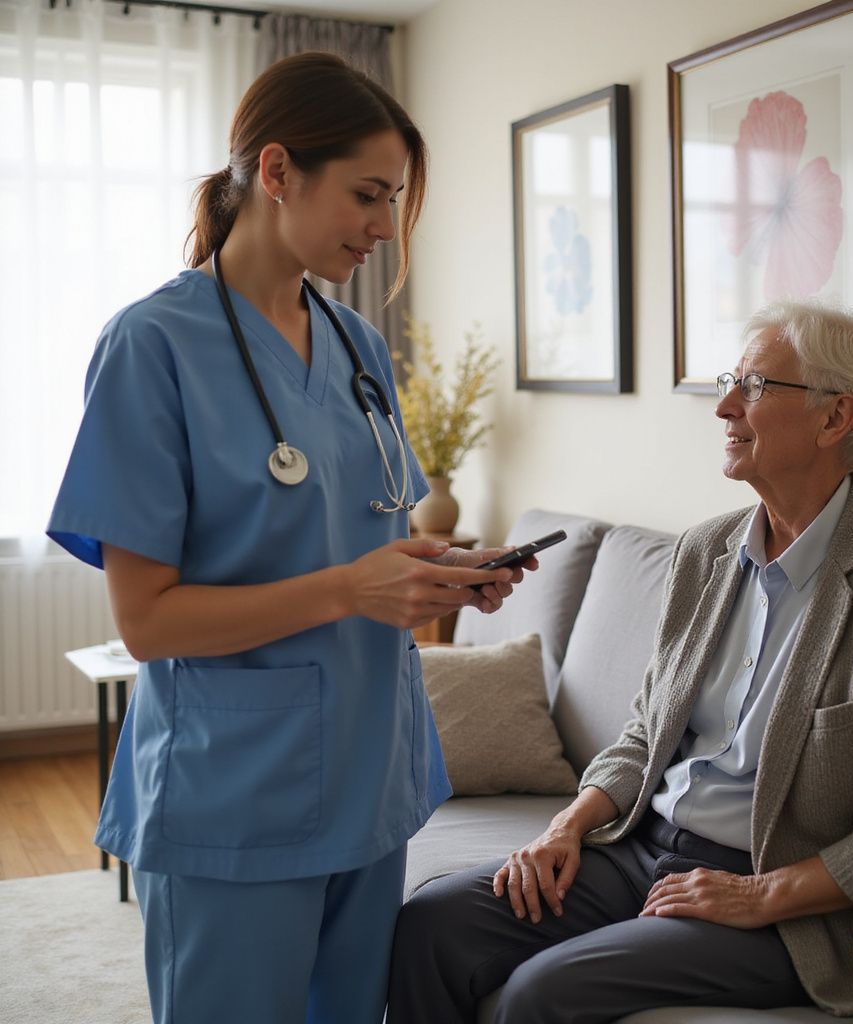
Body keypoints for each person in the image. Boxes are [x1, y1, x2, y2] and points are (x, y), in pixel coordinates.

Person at [47, 52, 529, 1024]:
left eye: (392, 199)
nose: (385, 226)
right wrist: (353, 590)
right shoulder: (152, 347)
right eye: (366, 194)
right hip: (236, 791)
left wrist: (442, 577)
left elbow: (367, 534)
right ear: (275, 172)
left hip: (371, 770)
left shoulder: (355, 345)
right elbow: (145, 622)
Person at [387, 301, 853, 1022]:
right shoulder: (705, 552)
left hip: (788, 902)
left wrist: (759, 894)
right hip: (643, 848)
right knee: (431, 926)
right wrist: (566, 827)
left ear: (837, 419)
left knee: (541, 995)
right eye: (729, 380)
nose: (725, 406)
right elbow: (645, 731)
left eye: (757, 387)